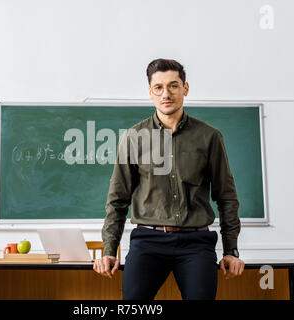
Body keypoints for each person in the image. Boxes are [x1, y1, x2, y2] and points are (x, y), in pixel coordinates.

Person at [93, 58, 245, 300]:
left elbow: (226, 197)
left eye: (173, 86)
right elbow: (117, 200)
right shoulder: (133, 138)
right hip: (148, 242)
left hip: (196, 243)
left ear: (185, 88)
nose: (166, 93)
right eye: (159, 87)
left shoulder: (209, 137)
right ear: (150, 92)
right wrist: (109, 250)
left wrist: (231, 250)